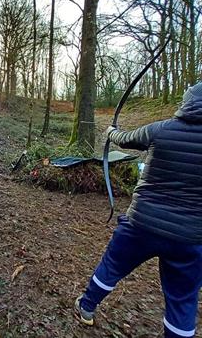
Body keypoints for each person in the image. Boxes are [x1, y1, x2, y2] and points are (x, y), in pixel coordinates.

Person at [75, 82, 202, 338]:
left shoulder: (162, 129)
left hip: (142, 223)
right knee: (182, 300)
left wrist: (111, 132)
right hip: (190, 238)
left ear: (186, 103)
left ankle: (87, 307)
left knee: (111, 266)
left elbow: (125, 138)